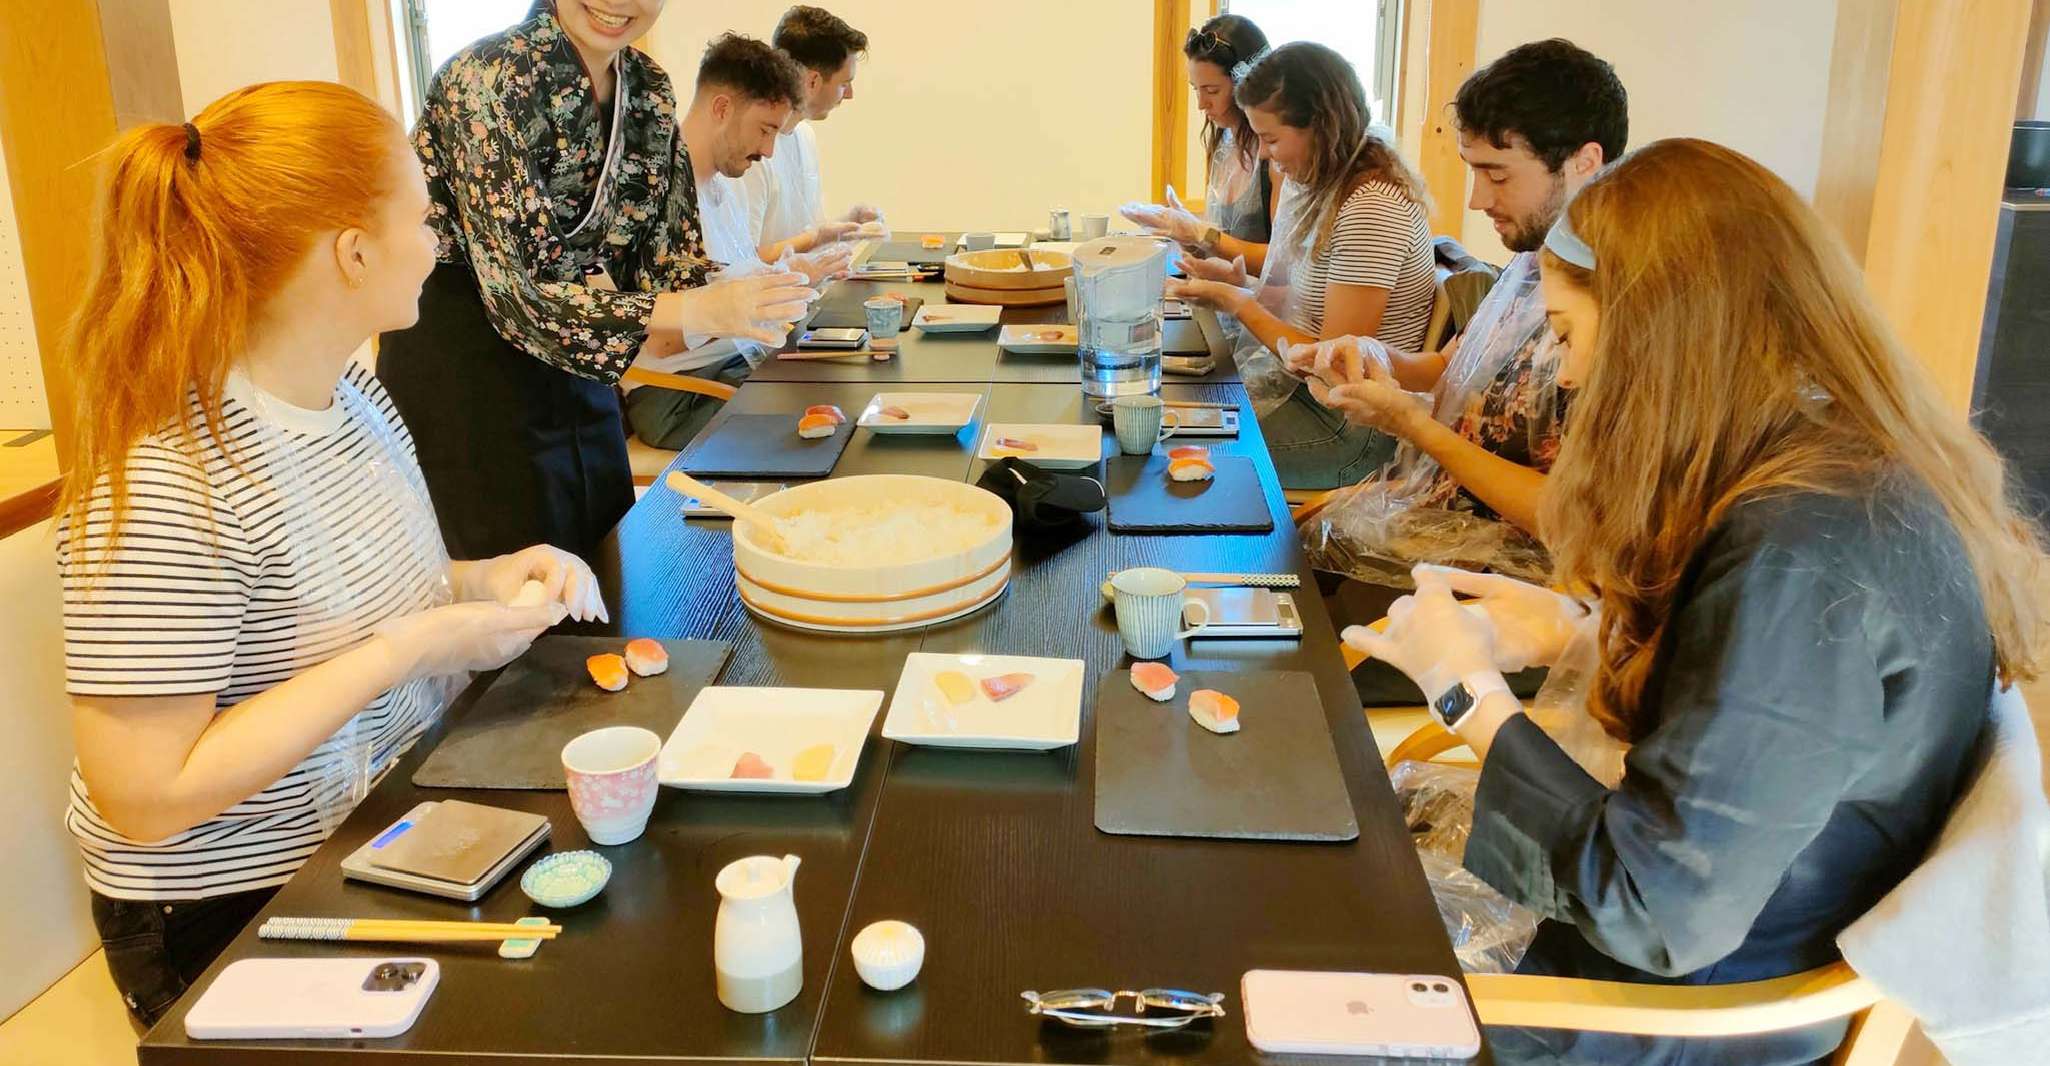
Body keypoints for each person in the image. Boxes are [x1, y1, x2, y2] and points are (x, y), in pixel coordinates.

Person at [1348, 138, 2050, 1066]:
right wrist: (1579, 632)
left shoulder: (1804, 558)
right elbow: (1781, 730)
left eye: (1566, 335)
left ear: (1657, 332)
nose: (1565, 375)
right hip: (1698, 955)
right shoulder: (1844, 472)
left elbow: (1654, 908)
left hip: (1662, 1021)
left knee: (1279, 954)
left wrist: (1463, 691)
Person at [55, 82, 606, 1031]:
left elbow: (384, 598)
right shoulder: (169, 477)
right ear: (353, 253)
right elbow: (146, 796)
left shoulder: (351, 398)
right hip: (231, 910)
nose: (439, 245)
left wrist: (487, 582)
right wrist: (410, 650)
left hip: (376, 827)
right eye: (427, 219)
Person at [377, 0, 818, 561]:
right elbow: (521, 291)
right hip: (467, 347)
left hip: (580, 340)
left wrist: (747, 295)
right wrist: (699, 311)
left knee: (605, 546)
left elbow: (658, 252)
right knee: (517, 575)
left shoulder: (648, 88)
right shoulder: (484, 78)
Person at [1290, 38, 1625, 572]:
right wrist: (1370, 354)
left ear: (1585, 162)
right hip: (1435, 508)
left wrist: (1414, 426)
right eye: (1474, 171)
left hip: (1510, 571)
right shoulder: (1531, 260)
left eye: (1498, 174)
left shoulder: (1622, 299)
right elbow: (1450, 368)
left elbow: (1576, 517)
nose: (1478, 199)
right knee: (1280, 536)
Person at [1167, 41, 1435, 490]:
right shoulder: (1326, 183)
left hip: (1349, 427)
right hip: (1303, 394)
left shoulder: (1371, 206)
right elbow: (1298, 301)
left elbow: (1333, 365)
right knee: (1166, 415)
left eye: (1271, 139)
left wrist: (1237, 302)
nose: (1266, 156)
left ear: (1322, 127)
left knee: (1176, 451)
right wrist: (1236, 281)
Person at [623, 34, 854, 450]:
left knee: (848, 393)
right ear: (722, 108)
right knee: (825, 432)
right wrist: (766, 293)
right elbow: (658, 338)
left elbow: (736, 280)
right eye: (765, 130)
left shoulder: (723, 184)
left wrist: (785, 277)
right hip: (678, 393)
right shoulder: (653, 193)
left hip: (732, 366)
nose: (768, 150)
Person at [1120, 13, 1282, 270]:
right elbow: (1216, 250)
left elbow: (1282, 263)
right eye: (1196, 89)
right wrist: (1184, 233)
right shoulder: (1223, 143)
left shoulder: (1277, 155)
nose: (1200, 104)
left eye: (1212, 91)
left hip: (1260, 306)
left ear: (1247, 84)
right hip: (1221, 302)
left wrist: (1200, 232)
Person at [747, 5, 883, 262]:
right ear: (812, 81)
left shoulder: (804, 135)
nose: (850, 95)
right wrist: (820, 237)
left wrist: (847, 225)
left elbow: (804, 235)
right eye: (844, 84)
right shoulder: (750, 150)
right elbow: (744, 259)